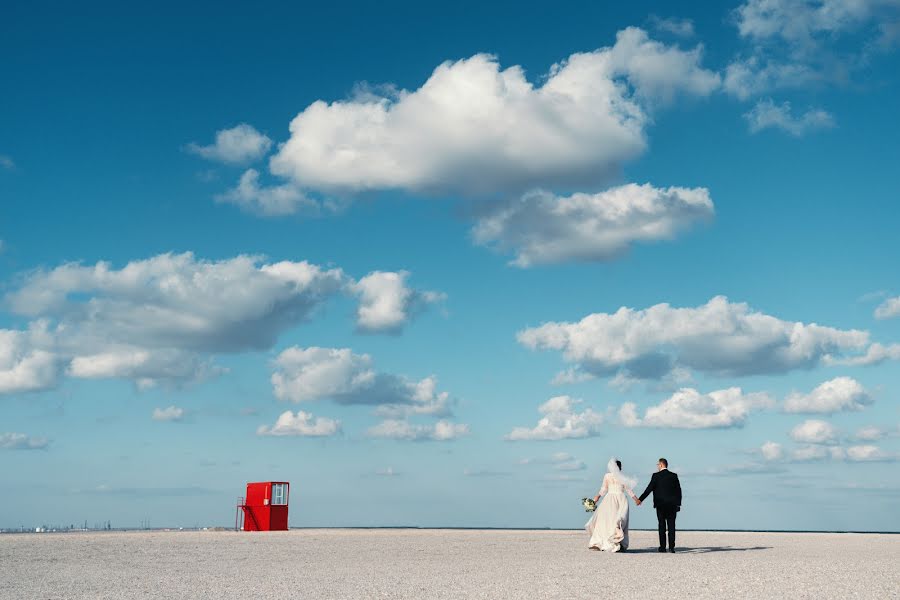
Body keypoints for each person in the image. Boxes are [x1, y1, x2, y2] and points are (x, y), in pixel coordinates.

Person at [585, 458, 639, 552]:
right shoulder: (621, 476)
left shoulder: (607, 476)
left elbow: (603, 489)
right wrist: (636, 499)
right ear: (619, 467)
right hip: (620, 499)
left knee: (607, 521)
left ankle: (607, 542)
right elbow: (628, 490)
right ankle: (616, 543)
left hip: (609, 499)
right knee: (617, 520)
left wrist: (597, 497)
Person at [637, 457, 682, 553]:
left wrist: (640, 499)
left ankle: (662, 547)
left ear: (661, 464)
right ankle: (671, 548)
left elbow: (649, 489)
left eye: (658, 465)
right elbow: (678, 491)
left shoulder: (656, 476)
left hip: (660, 504)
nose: (657, 466)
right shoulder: (673, 476)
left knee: (661, 526)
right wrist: (678, 504)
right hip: (672, 505)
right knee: (671, 526)